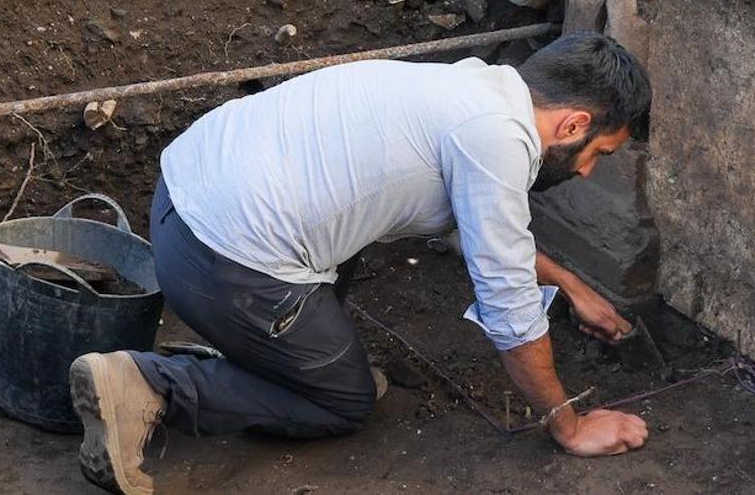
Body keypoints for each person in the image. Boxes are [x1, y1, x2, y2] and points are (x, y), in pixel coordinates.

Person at [70, 30, 653, 494]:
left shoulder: (475, 91)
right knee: (342, 401)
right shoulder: (498, 140)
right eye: (597, 154)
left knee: (341, 238)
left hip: (183, 202)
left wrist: (571, 285)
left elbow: (483, 231)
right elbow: (506, 303)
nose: (585, 171)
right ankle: (149, 385)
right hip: (223, 261)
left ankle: (265, 355)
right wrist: (570, 424)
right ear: (575, 124)